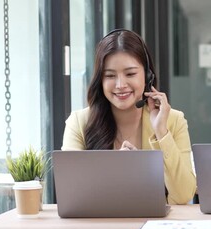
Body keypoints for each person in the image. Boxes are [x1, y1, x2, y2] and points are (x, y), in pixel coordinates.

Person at [61, 29, 196, 205]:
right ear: (100, 80)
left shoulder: (174, 120)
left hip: (156, 227)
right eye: (110, 75)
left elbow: (183, 195)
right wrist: (117, 171)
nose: (120, 85)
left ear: (148, 76)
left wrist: (162, 132)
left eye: (130, 74)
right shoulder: (79, 123)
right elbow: (72, 196)